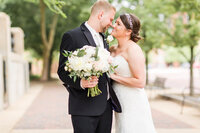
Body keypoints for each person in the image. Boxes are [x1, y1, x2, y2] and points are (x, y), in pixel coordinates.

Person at [57, 1, 121, 133]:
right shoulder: (72, 36)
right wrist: (81, 82)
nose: (111, 23)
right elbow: (62, 71)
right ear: (101, 14)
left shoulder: (104, 39)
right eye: (110, 19)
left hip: (106, 108)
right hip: (83, 108)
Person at [110, 13, 157, 133]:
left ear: (128, 31)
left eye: (118, 24)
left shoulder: (133, 50)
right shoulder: (112, 49)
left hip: (132, 101)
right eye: (115, 22)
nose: (113, 25)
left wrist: (113, 76)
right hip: (119, 101)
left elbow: (140, 82)